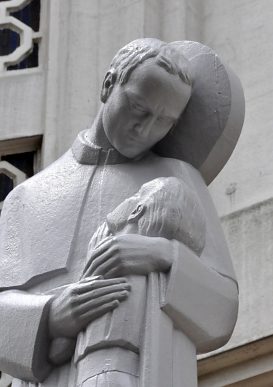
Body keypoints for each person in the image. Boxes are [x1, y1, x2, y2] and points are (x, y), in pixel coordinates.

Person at [0, 39, 239, 387]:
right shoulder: (28, 196)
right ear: (109, 85)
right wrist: (49, 318)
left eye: (163, 121)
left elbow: (223, 310)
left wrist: (162, 255)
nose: (144, 130)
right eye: (138, 108)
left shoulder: (176, 179)